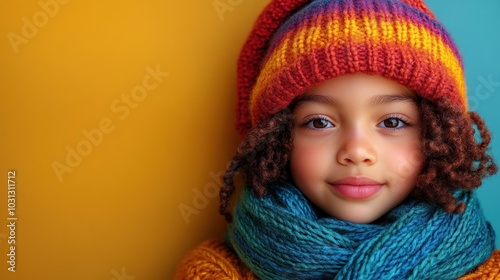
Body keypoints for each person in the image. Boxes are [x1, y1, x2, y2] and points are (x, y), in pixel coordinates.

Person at [174, 0, 500, 278]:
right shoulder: (213, 272)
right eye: (319, 122)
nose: (356, 151)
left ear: (440, 136)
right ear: (274, 140)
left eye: (393, 121)